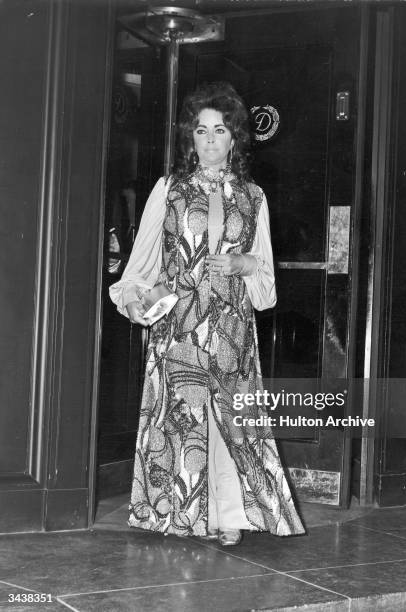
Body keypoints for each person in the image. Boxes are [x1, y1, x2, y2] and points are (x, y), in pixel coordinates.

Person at [109, 81, 304, 545]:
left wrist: (242, 262)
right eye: (201, 131)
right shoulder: (169, 189)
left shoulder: (254, 197)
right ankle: (181, 514)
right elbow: (140, 265)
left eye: (219, 130)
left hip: (233, 324)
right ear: (190, 138)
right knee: (183, 416)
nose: (210, 140)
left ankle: (230, 516)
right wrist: (135, 299)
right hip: (181, 322)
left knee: (232, 420)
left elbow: (266, 281)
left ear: (234, 137)